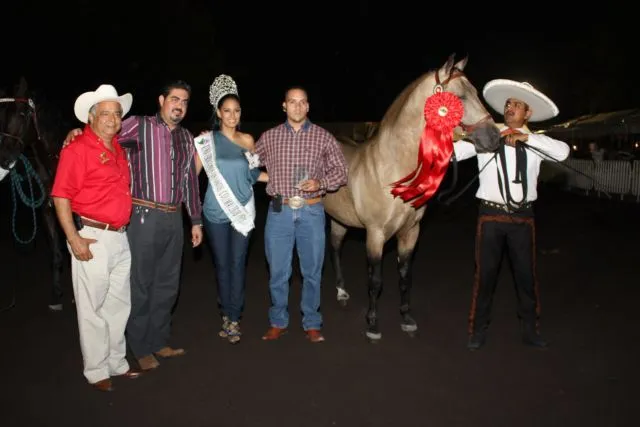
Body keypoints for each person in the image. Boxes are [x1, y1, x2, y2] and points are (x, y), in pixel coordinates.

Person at [63, 80, 203, 371]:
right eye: (174, 99)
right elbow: (101, 133)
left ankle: (159, 340)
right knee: (140, 284)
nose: (179, 105)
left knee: (168, 284)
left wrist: (196, 220)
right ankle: (140, 347)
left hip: (173, 217)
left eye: (185, 101)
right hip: (143, 215)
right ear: (162, 100)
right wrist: (75, 132)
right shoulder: (137, 125)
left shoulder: (187, 138)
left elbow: (190, 180)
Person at [453, 79, 570, 351]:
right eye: (508, 103)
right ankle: (477, 330)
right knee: (485, 277)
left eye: (517, 104)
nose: (510, 107)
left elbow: (562, 153)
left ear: (527, 113)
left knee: (526, 277)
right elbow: (454, 154)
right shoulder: (489, 134)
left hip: (522, 218)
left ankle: (530, 330)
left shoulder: (537, 141)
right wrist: (447, 135)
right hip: (491, 217)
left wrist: (527, 138)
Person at [51, 84, 141, 392]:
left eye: (116, 114)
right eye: (105, 113)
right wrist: (73, 238)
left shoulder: (117, 147)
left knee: (118, 305)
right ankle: (96, 369)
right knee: (91, 308)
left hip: (119, 237)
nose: (112, 119)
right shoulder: (76, 149)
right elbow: (60, 195)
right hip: (91, 236)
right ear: (91, 118)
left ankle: (116, 362)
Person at [254, 86, 348, 343]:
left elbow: (342, 172)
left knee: (312, 271)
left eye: (302, 102)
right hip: (278, 209)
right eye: (292, 102)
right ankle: (278, 321)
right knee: (277, 271)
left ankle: (312, 322)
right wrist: (265, 177)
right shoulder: (269, 137)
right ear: (284, 106)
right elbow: (247, 164)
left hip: (312, 210)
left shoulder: (323, 137)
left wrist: (321, 183)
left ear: (308, 107)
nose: (297, 106)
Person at [194, 74, 268, 344]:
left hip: (242, 213)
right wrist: (191, 215)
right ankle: (225, 311)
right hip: (215, 213)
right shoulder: (206, 141)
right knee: (223, 265)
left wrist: (280, 178)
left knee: (238, 264)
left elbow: (254, 174)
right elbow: (191, 176)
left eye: (237, 111)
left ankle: (234, 318)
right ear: (218, 112)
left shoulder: (249, 140)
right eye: (227, 111)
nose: (232, 115)